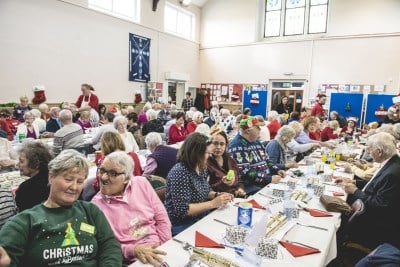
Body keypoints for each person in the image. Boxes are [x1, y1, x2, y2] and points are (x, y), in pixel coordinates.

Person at [0, 149, 122, 266]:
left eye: (80, 181)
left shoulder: (90, 211)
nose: (74, 187)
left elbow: (110, 246)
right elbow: (7, 257)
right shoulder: (24, 222)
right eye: (68, 179)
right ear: (51, 177)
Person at [91, 151, 171, 265]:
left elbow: (162, 217)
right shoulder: (95, 207)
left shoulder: (141, 183)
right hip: (133, 260)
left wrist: (165, 246)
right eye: (102, 170)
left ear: (127, 178)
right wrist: (133, 250)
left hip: (160, 247)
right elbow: (105, 246)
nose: (103, 177)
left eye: (113, 173)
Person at [339, 132, 400, 249]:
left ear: (379, 151)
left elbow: (380, 204)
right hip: (368, 209)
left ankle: (339, 239)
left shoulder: (393, 172)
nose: (368, 152)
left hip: (373, 222)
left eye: (370, 149)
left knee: (333, 213)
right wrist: (354, 182)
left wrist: (355, 191)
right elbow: (375, 183)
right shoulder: (391, 162)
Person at [166, 133, 233, 235]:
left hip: (200, 218)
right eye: (207, 153)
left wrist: (218, 195)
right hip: (183, 224)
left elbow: (206, 191)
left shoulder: (201, 167)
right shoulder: (180, 171)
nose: (209, 156)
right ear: (196, 153)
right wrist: (213, 203)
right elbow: (183, 210)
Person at [228, 116, 284, 194]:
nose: (260, 130)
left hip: (264, 183)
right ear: (248, 131)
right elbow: (245, 172)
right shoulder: (237, 145)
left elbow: (267, 160)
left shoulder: (256, 142)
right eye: (258, 127)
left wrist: (277, 170)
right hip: (253, 187)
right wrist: (269, 179)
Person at [15, 140, 53, 211]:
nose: (17, 165)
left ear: (36, 163)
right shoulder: (53, 177)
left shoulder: (25, 189)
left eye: (21, 161)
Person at [207, 128, 245, 197]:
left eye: (222, 144)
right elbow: (205, 190)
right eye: (215, 143)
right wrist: (223, 183)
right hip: (218, 201)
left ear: (226, 145)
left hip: (235, 199)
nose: (218, 147)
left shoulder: (230, 160)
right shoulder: (206, 163)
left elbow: (239, 180)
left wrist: (240, 189)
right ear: (209, 144)